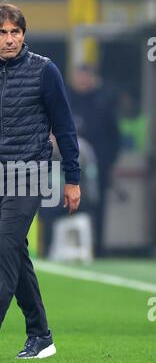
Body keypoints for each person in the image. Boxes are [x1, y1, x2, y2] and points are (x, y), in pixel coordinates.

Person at [0, 4, 81, 360]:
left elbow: (64, 128)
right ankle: (41, 335)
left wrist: (72, 179)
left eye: (16, 32)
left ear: (24, 34)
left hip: (31, 173)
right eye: (2, 33)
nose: (10, 39)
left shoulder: (44, 71)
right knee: (14, 254)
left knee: (6, 248)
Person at [67, 65, 120, 257]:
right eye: (80, 76)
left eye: (86, 76)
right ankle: (66, 246)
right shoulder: (65, 100)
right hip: (68, 165)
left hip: (99, 166)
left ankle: (97, 247)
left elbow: (114, 136)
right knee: (66, 202)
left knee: (96, 205)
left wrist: (110, 163)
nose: (83, 80)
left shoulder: (102, 102)